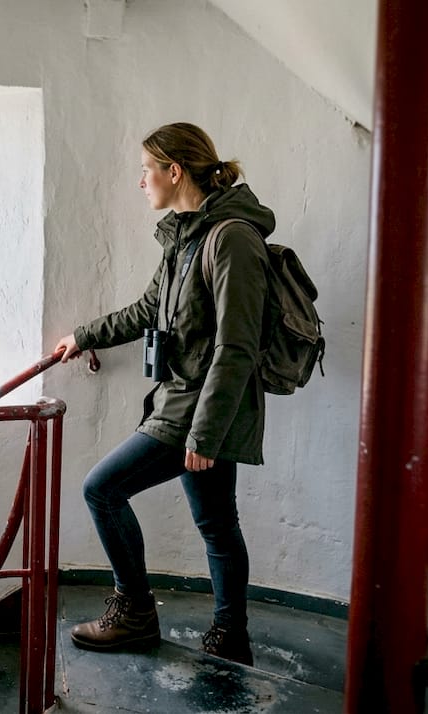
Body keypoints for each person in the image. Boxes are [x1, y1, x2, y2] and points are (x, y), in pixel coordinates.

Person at [54, 122, 275, 667]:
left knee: (101, 490)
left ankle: (134, 615)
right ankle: (232, 638)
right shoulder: (186, 236)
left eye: (147, 169)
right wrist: (84, 335)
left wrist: (204, 432)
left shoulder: (232, 240)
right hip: (189, 403)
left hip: (199, 411)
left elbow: (237, 347)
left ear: (174, 171)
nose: (140, 181)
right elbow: (146, 311)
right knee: (218, 523)